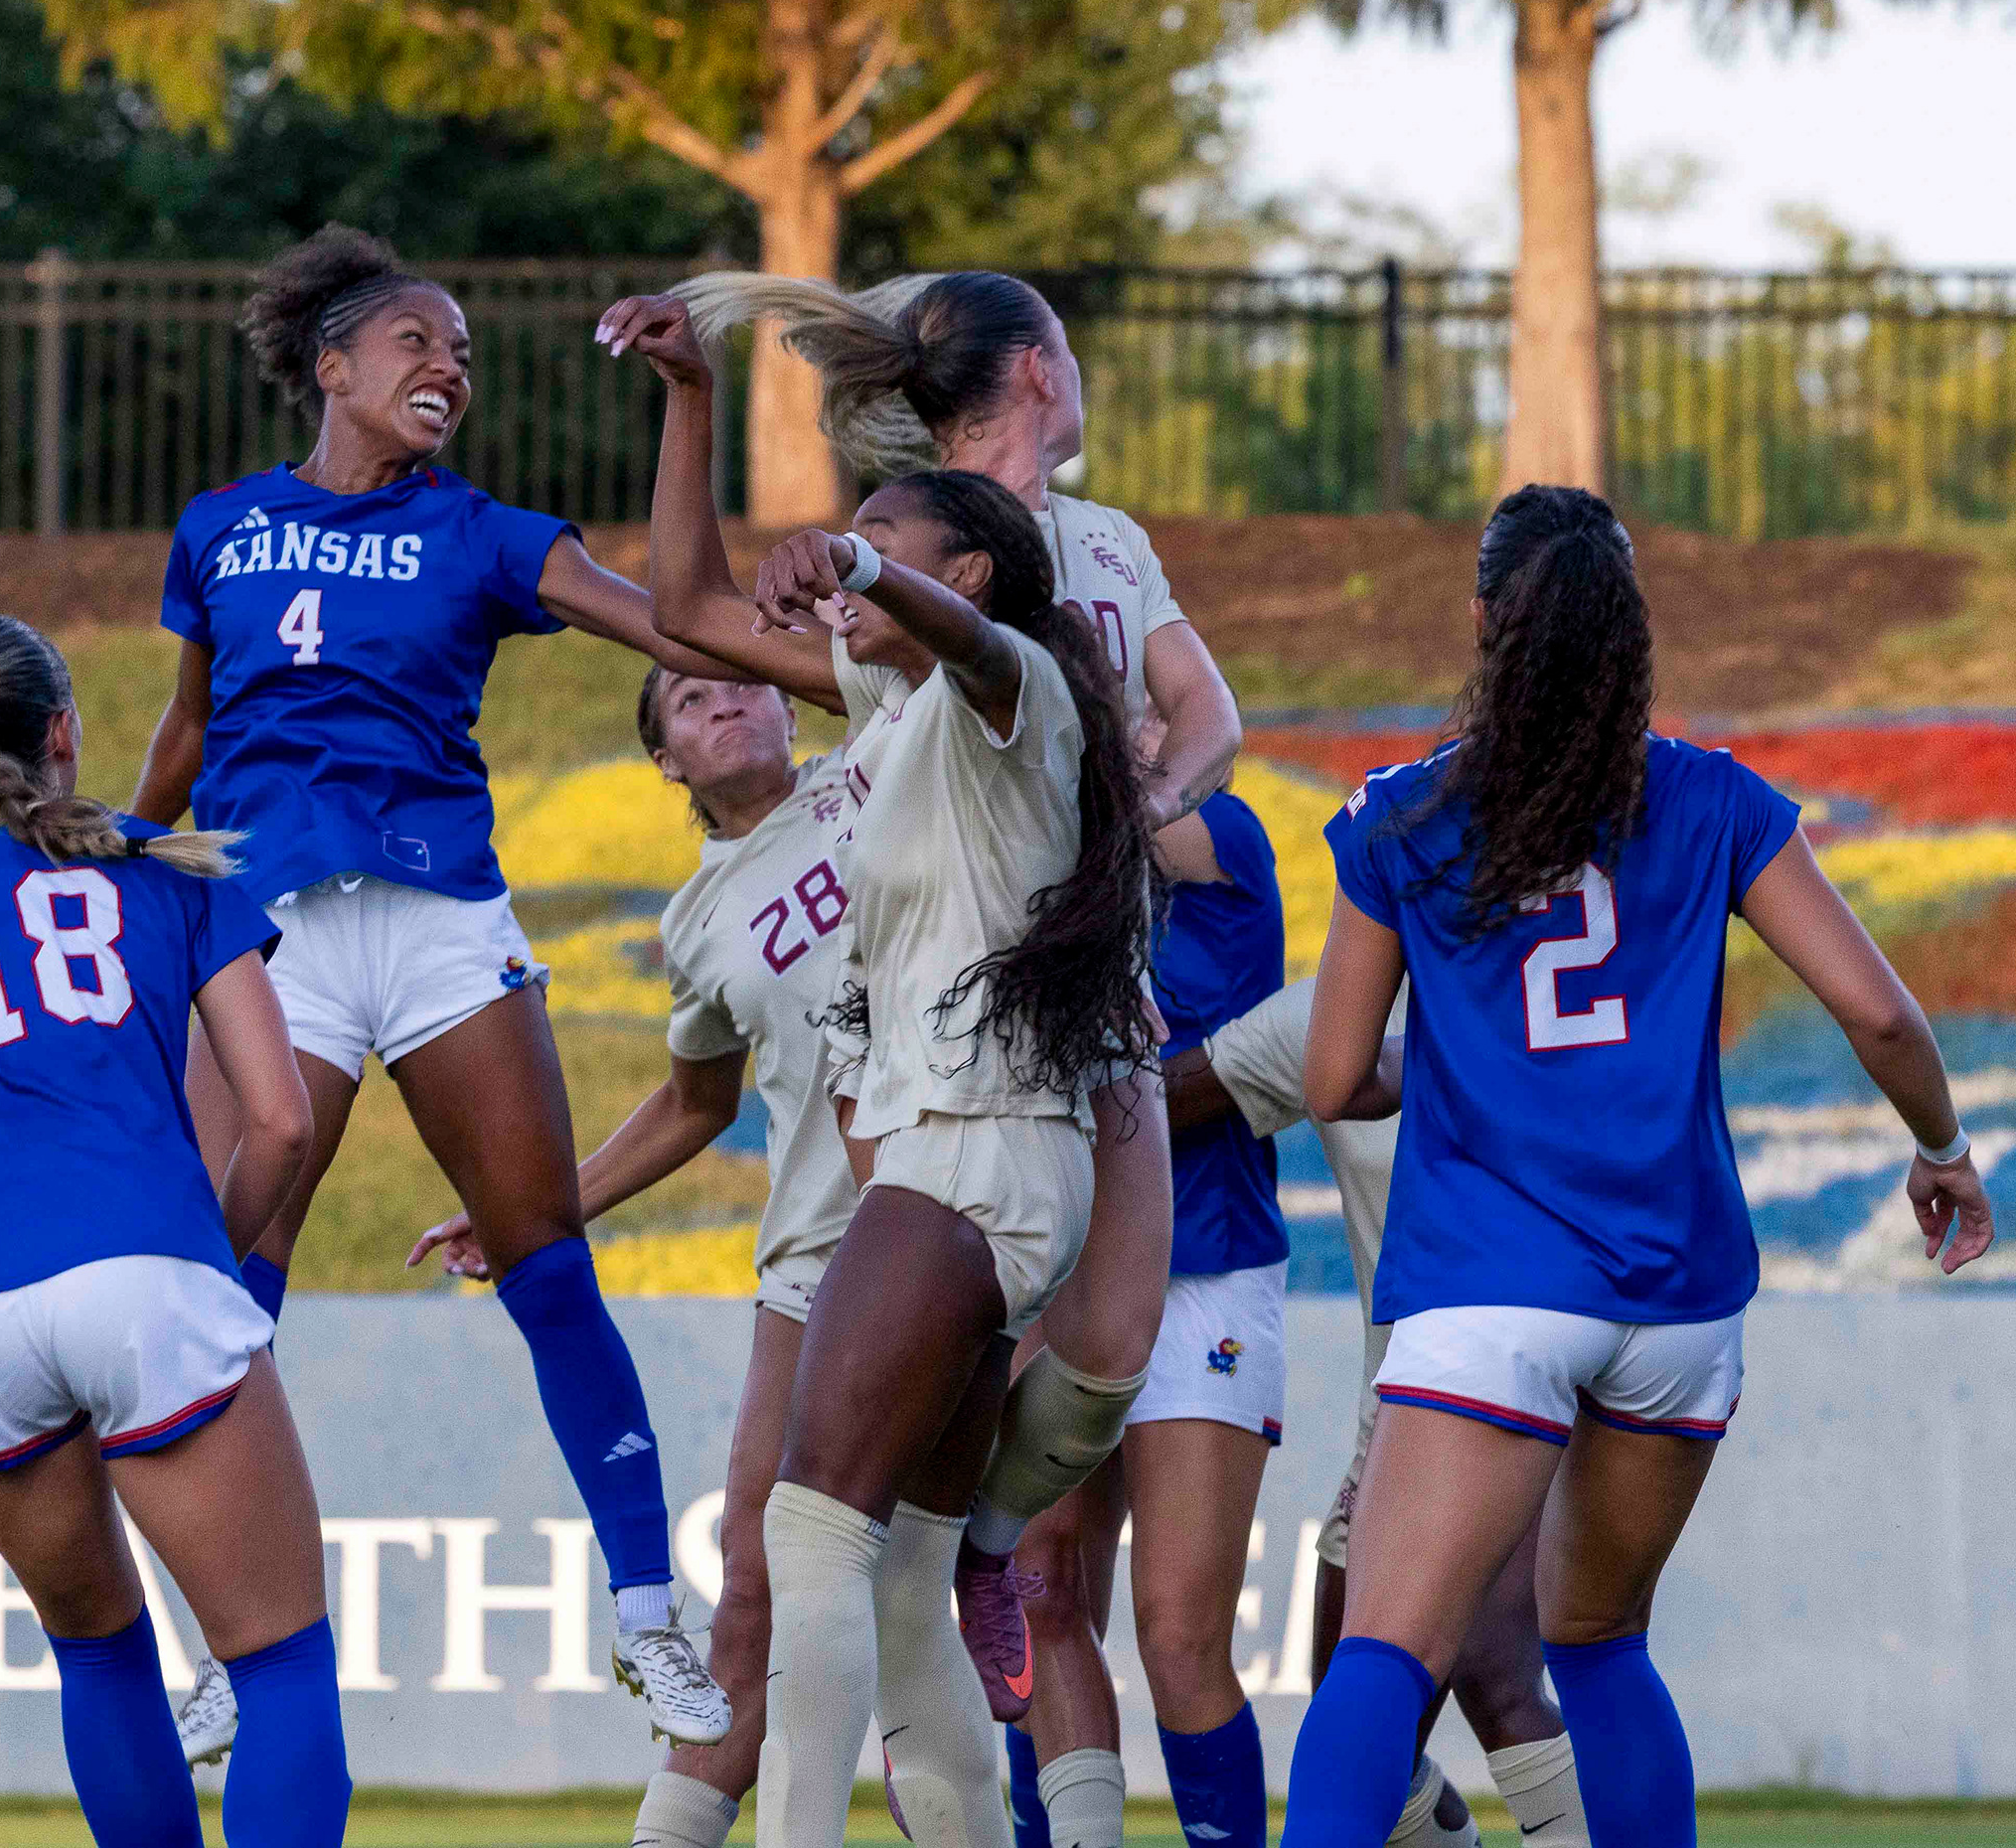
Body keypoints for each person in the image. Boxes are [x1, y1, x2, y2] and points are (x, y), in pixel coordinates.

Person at [1279, 486, 1998, 1848]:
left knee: (1384, 1652)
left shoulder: (1400, 817)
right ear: (1634, 638)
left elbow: (1329, 1078)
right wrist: (1941, 1148)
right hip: (1678, 1300)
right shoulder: (1716, 798)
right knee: (1599, 1641)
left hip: (1490, 1286)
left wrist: (1457, 1075)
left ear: (1486, 621)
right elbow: (1883, 1013)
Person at [130, 225, 732, 1743]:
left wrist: (689, 407)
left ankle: (652, 1617)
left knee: (544, 1264)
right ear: (331, 364)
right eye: (419, 340)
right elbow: (185, 739)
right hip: (274, 934)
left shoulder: (480, 533)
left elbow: (675, 618)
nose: (449, 364)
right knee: (214, 1295)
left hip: (444, 922)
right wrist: (119, 880)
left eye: (463, 350)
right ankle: (223, 1651)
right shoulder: (219, 528)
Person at [599, 292, 1158, 1848]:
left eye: (893, 534)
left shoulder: (1014, 688)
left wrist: (857, 566)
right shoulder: (894, 708)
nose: (852, 552)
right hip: (972, 1155)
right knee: (904, 1572)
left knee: (809, 1527)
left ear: (959, 568)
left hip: (965, 1151)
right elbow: (686, 602)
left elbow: (980, 638)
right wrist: (690, 402)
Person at [413, 663, 995, 1848]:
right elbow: (693, 1101)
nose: (720, 699)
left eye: (740, 680)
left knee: (946, 1587)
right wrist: (538, 1211)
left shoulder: (883, 767)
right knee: (754, 1596)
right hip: (821, 1257)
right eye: (684, 700)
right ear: (666, 762)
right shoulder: (696, 919)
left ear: (796, 704)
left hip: (977, 1206)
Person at [0, 615, 342, 1847]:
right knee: (282, 1667)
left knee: (100, 1658)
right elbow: (282, 1117)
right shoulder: (173, 864)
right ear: (61, 731)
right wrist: (217, 1256)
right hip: (150, 1274)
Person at [1193, 979, 1578, 1848]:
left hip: (1541, 1375)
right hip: (1409, 1409)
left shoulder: (1526, 984)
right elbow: (1171, 1094)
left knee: (1478, 1674)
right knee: (1383, 1729)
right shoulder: (1326, 1013)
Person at [1008, 749, 1292, 1848]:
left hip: (1206, 1267)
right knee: (1037, 1588)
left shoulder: (1218, 833)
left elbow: (1119, 812)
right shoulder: (1019, 862)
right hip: (1053, 1267)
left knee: (1179, 1634)